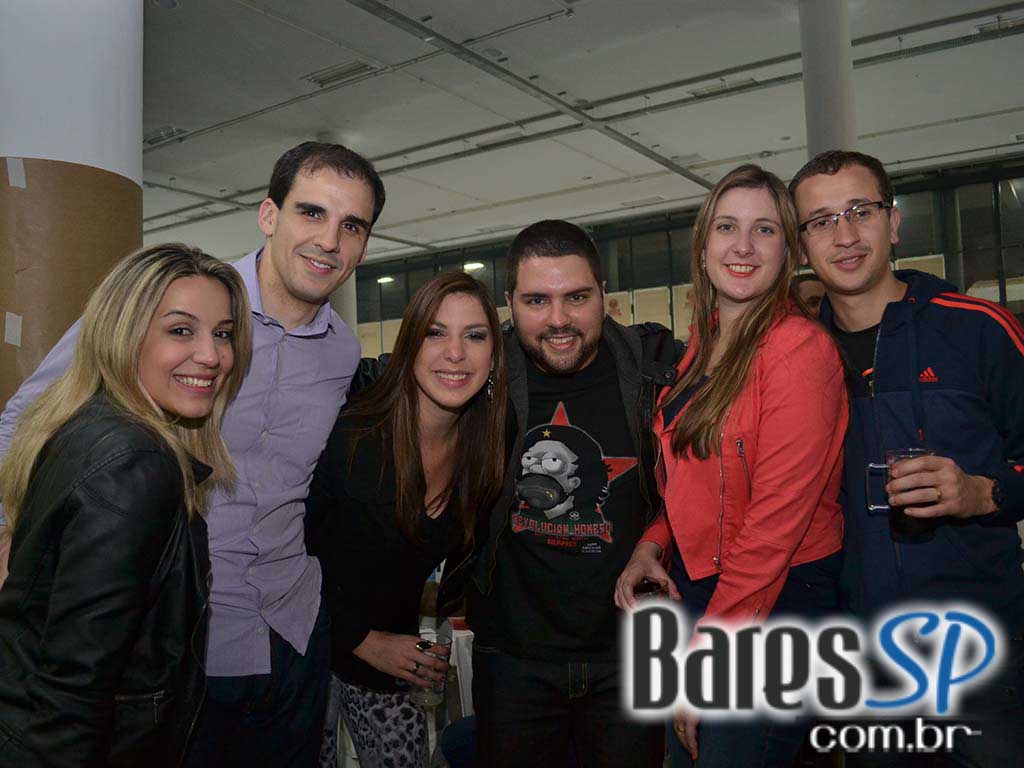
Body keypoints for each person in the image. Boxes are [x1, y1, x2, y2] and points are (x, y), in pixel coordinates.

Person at [0, 141, 385, 766]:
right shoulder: (176, 304)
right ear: (269, 215)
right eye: (311, 212)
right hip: (179, 642)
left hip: (291, 633)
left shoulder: (342, 351)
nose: (329, 240)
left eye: (352, 226)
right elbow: (24, 419)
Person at [789, 149, 1024, 766]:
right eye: (821, 221)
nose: (844, 236)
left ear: (893, 222)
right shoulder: (795, 358)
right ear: (802, 245)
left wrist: (983, 492)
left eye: (860, 211)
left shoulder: (978, 329)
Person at [614, 164, 848, 767]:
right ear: (703, 245)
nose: (743, 246)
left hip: (779, 597)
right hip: (706, 588)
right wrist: (652, 544)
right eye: (727, 227)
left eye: (764, 230)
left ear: (788, 251)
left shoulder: (798, 350)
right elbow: (690, 477)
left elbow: (773, 527)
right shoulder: (704, 344)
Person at [0, 245, 251, 767]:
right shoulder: (135, 462)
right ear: (123, 334)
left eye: (223, 333)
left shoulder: (83, 425)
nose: (212, 355)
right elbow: (74, 689)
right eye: (180, 330)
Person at [462, 219, 680, 767]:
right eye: (537, 300)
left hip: (628, 655)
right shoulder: (480, 375)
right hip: (513, 657)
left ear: (604, 294)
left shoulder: (655, 369)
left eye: (577, 298)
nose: (558, 320)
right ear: (509, 303)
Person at [306, 272, 507, 768]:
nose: (455, 353)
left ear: (494, 355)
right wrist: (361, 639)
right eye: (435, 332)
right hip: (308, 647)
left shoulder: (485, 447)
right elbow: (289, 553)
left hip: (392, 658)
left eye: (474, 335)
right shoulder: (354, 435)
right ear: (409, 345)